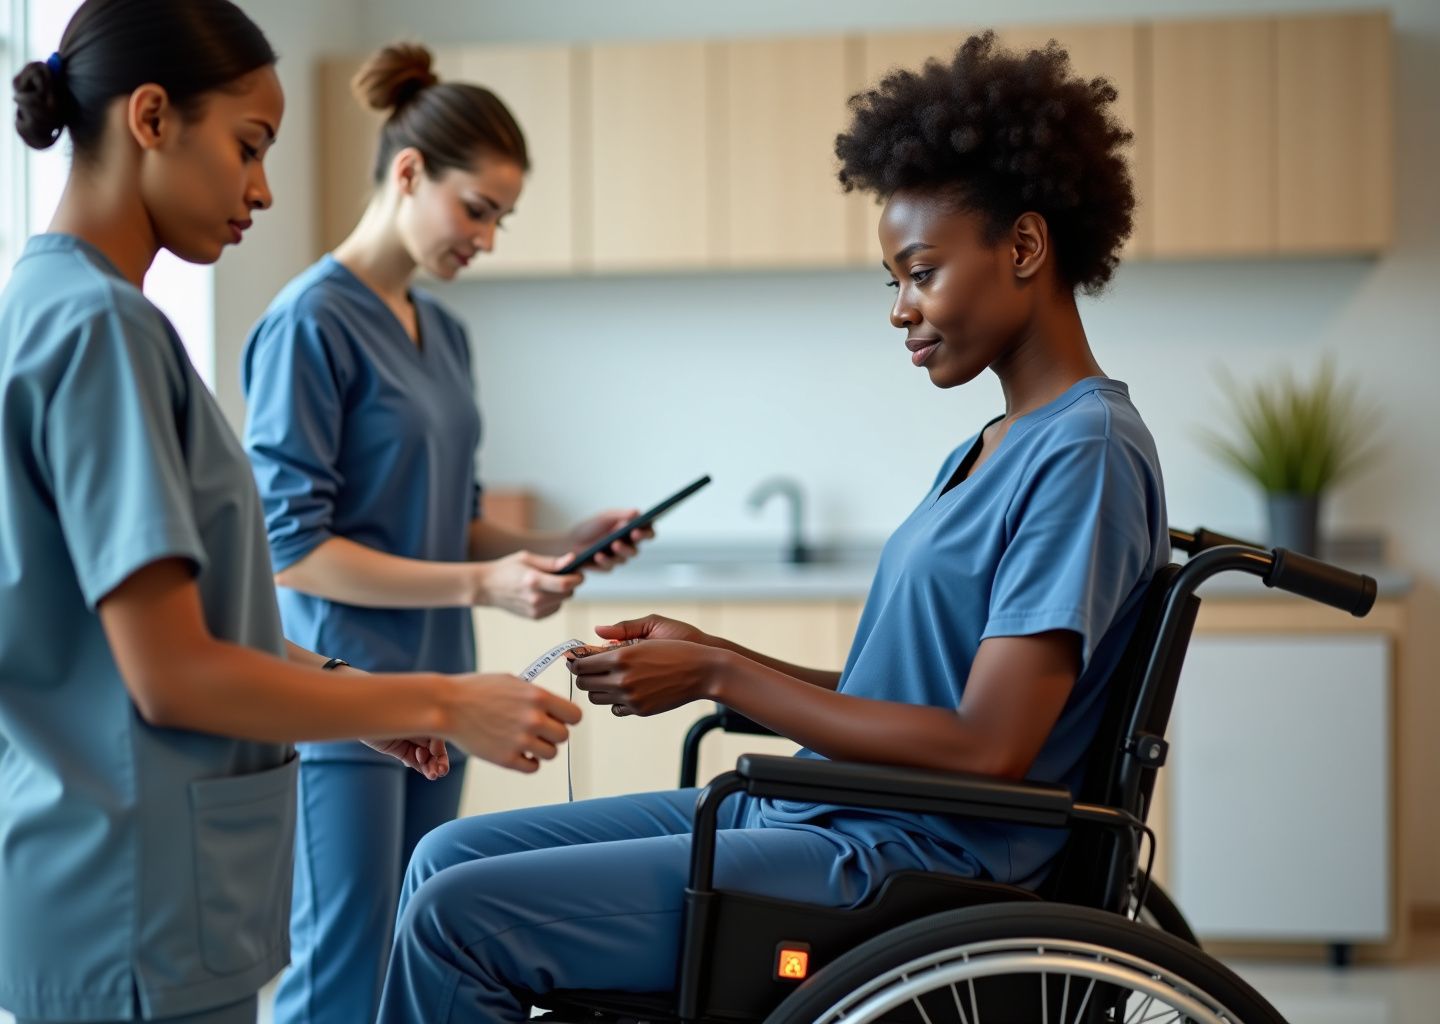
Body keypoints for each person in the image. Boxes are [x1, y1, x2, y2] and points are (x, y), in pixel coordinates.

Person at [374, 32, 1169, 1022]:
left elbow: (987, 748)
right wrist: (714, 650)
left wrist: (719, 676)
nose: (901, 310)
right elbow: (905, 696)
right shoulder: (994, 445)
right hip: (825, 810)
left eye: (920, 272)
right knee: (444, 855)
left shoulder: (1085, 451)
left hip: (902, 857)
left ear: (1024, 247)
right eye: (893, 282)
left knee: (457, 917)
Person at [0, 4, 579, 1023]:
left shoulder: (62, 307)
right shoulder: (103, 329)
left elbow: (202, 621)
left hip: (124, 881)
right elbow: (175, 671)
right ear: (151, 118)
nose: (264, 189)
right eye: (249, 146)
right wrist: (440, 703)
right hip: (133, 891)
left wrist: (374, 693)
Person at [239, 42, 650, 1024]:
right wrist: (483, 585)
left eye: (502, 218)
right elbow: (295, 550)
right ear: (410, 172)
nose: (489, 238)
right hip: (346, 692)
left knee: (407, 956)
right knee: (342, 972)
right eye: (477, 209)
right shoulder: (310, 322)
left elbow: (452, 521)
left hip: (439, 689)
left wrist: (558, 541)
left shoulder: (446, 334)